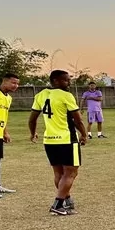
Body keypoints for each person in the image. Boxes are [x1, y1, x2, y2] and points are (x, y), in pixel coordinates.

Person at [29, 70, 88, 215]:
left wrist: (33, 133)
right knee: (71, 173)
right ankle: (58, 205)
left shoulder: (41, 95)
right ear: (55, 81)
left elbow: (32, 119)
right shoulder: (66, 96)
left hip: (49, 140)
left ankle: (66, 200)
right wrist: (84, 135)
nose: (69, 83)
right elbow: (77, 119)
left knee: (59, 173)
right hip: (67, 139)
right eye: (66, 80)